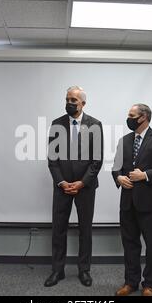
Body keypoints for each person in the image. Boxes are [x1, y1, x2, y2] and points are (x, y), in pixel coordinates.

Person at [112, 104, 152, 296]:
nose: (128, 118)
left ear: (143, 117)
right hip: (128, 202)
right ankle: (130, 282)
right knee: (130, 244)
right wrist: (118, 177)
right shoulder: (124, 140)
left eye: (131, 115)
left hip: (151, 203)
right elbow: (116, 167)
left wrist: (145, 175)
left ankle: (150, 284)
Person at [45, 86, 103, 287]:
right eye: (67, 99)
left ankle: (84, 270)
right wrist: (62, 182)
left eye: (73, 100)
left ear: (83, 103)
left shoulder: (95, 125)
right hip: (62, 187)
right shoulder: (56, 124)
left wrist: (81, 183)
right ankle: (57, 270)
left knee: (85, 230)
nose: (69, 103)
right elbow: (52, 160)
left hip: (85, 188)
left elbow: (97, 160)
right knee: (58, 229)